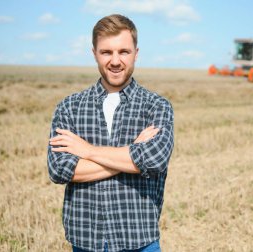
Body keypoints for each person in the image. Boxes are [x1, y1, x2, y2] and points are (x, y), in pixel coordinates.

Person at [47, 14, 174, 252]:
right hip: (86, 240)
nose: (115, 61)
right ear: (94, 53)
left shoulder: (156, 106)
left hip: (139, 240)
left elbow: (154, 160)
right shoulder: (69, 107)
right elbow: (60, 169)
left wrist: (87, 151)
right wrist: (132, 153)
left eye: (123, 52)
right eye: (106, 52)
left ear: (136, 53)